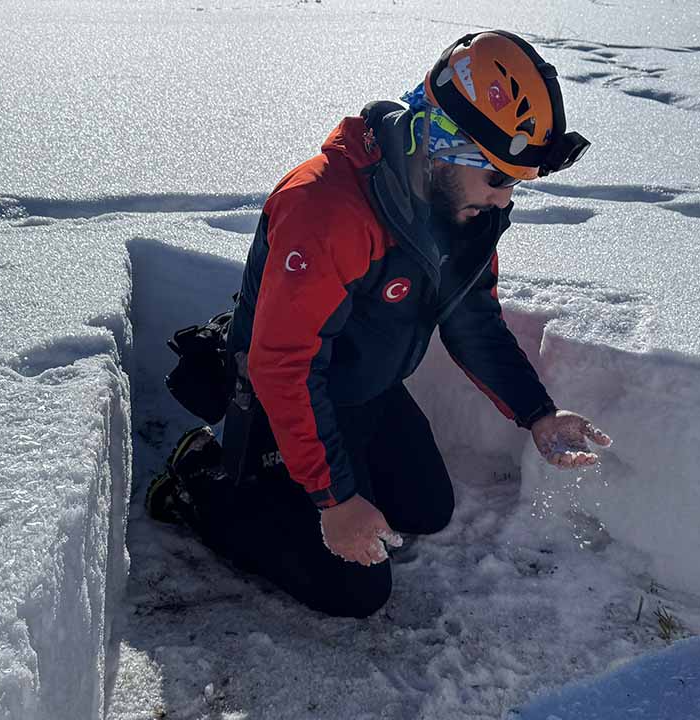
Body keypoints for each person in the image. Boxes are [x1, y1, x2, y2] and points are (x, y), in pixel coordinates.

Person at [146, 30, 612, 618]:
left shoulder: (463, 213)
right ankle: (202, 478)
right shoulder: (326, 207)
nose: (504, 198)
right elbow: (283, 368)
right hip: (280, 405)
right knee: (357, 590)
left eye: (516, 183)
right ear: (441, 145)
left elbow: (473, 321)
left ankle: (318, 487)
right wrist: (335, 499)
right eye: (497, 177)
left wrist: (537, 414)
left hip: (366, 390)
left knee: (427, 511)